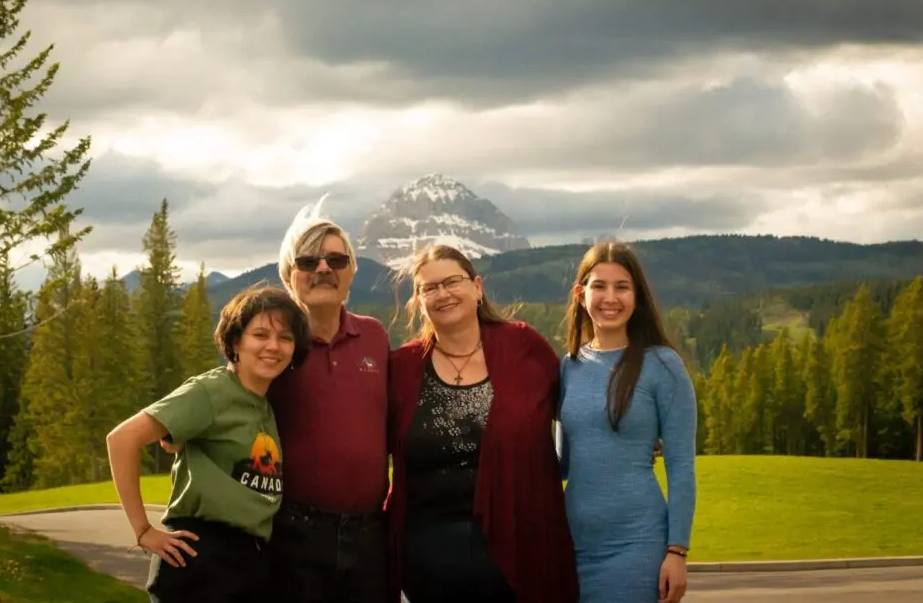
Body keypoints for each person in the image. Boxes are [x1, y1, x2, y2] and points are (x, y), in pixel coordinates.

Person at [387, 244, 578, 603]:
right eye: (429, 287)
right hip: (428, 567)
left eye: (452, 282)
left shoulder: (523, 348)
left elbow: (577, 407)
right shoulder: (401, 369)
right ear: (418, 300)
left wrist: (628, 435)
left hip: (519, 554)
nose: (442, 293)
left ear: (477, 287)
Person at [106, 284, 313, 603]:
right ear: (235, 341)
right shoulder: (210, 391)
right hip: (201, 563)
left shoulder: (264, 403)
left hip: (251, 562)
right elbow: (122, 439)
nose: (273, 346)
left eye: (285, 338)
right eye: (260, 335)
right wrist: (143, 531)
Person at [558, 241, 697, 603]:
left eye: (622, 287)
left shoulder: (663, 366)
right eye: (599, 286)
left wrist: (677, 551)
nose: (610, 298)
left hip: (636, 546)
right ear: (580, 293)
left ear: (637, 296)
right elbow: (563, 464)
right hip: (570, 546)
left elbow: (682, 467)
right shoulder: (569, 367)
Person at [267, 200, 392, 603]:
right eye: (309, 260)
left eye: (336, 260)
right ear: (290, 276)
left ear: (352, 273)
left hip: (372, 538)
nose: (323, 269)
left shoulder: (375, 337)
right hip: (294, 536)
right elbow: (227, 396)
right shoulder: (273, 346)